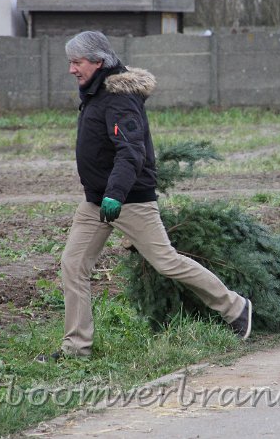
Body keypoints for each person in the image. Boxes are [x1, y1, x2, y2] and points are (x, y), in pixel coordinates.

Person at [44, 31, 252, 360]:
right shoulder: (96, 93)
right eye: (70, 62)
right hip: (96, 201)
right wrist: (104, 194)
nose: (71, 69)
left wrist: (115, 194)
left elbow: (131, 152)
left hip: (129, 199)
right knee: (73, 265)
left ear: (98, 62)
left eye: (77, 62)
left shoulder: (119, 98)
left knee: (167, 262)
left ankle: (236, 307)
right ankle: (76, 348)